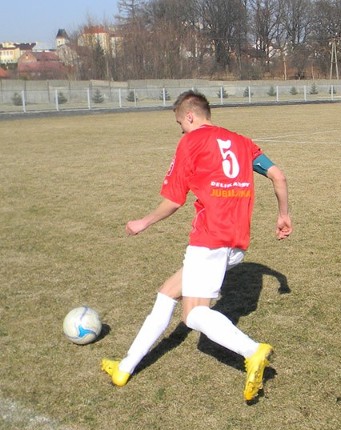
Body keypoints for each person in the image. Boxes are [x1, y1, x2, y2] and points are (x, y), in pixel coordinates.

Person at [101, 91, 292, 402]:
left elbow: (174, 200)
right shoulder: (242, 142)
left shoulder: (191, 142)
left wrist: (143, 222)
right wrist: (283, 215)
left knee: (193, 316)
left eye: (180, 124)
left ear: (189, 116)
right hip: (237, 242)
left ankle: (253, 351)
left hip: (209, 239)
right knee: (166, 293)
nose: (181, 130)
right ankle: (125, 367)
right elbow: (278, 176)